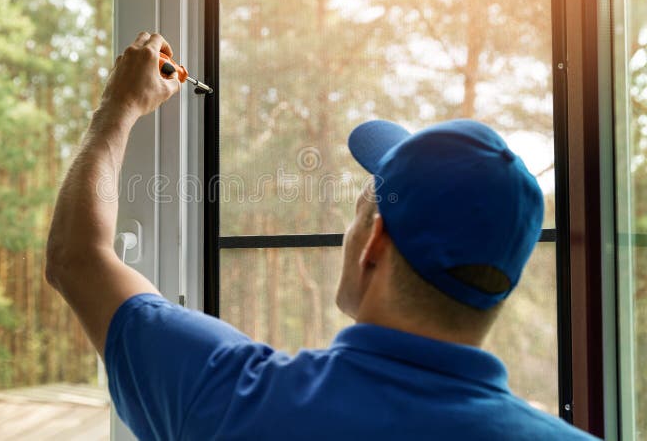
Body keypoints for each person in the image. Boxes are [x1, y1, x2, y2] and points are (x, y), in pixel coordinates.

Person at [45, 32, 599, 440]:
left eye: (359, 211)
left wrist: (117, 109)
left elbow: (78, 258)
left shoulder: (237, 400)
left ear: (375, 243)